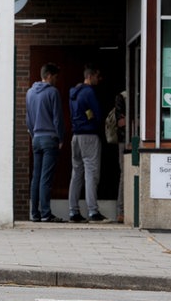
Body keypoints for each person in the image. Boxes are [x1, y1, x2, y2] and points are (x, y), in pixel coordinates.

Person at [67, 64, 109, 223]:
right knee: (91, 174)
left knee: (76, 174)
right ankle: (93, 211)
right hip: (89, 136)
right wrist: (96, 124)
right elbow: (98, 114)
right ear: (90, 76)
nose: (100, 80)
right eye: (98, 77)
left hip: (75, 136)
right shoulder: (89, 92)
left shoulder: (74, 93)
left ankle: (73, 211)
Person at [26, 63, 65, 223]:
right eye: (55, 77)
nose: (56, 80)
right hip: (50, 138)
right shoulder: (52, 92)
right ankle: (46, 213)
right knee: (46, 178)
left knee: (36, 176)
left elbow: (28, 118)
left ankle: (34, 213)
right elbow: (57, 118)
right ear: (49, 75)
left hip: (36, 137)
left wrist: (33, 132)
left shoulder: (29, 93)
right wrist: (61, 137)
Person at [115, 91, 127, 223]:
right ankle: (121, 211)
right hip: (125, 140)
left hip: (127, 139)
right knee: (124, 175)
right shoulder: (122, 96)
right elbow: (121, 122)